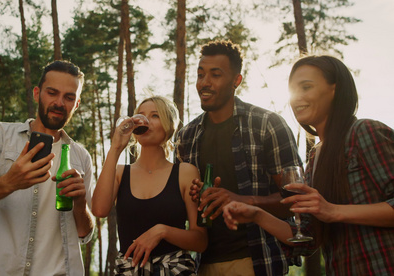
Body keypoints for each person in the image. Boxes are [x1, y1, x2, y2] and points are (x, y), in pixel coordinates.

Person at [222, 55, 394, 276]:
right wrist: (256, 214)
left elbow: (330, 213)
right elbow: (308, 238)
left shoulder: (365, 132)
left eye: (306, 87)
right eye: (293, 90)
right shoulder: (316, 157)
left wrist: (332, 211)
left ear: (335, 90)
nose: (296, 98)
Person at [0, 60, 95, 276]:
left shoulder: (81, 156)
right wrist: (8, 182)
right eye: (52, 93)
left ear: (76, 105)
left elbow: (85, 234)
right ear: (37, 94)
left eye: (69, 97)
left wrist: (80, 203)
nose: (59, 103)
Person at [175, 40, 302, 276]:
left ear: (236, 81)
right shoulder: (186, 137)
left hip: (256, 261)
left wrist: (243, 200)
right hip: (201, 264)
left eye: (215, 75)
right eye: (200, 74)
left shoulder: (267, 125)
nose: (204, 83)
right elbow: (181, 209)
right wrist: (192, 196)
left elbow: (295, 201)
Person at [92, 96, 207, 275]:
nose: (144, 120)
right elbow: (99, 210)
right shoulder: (120, 173)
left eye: (155, 115)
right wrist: (115, 148)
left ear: (169, 125)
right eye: (140, 115)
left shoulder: (185, 172)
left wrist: (162, 231)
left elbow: (200, 241)